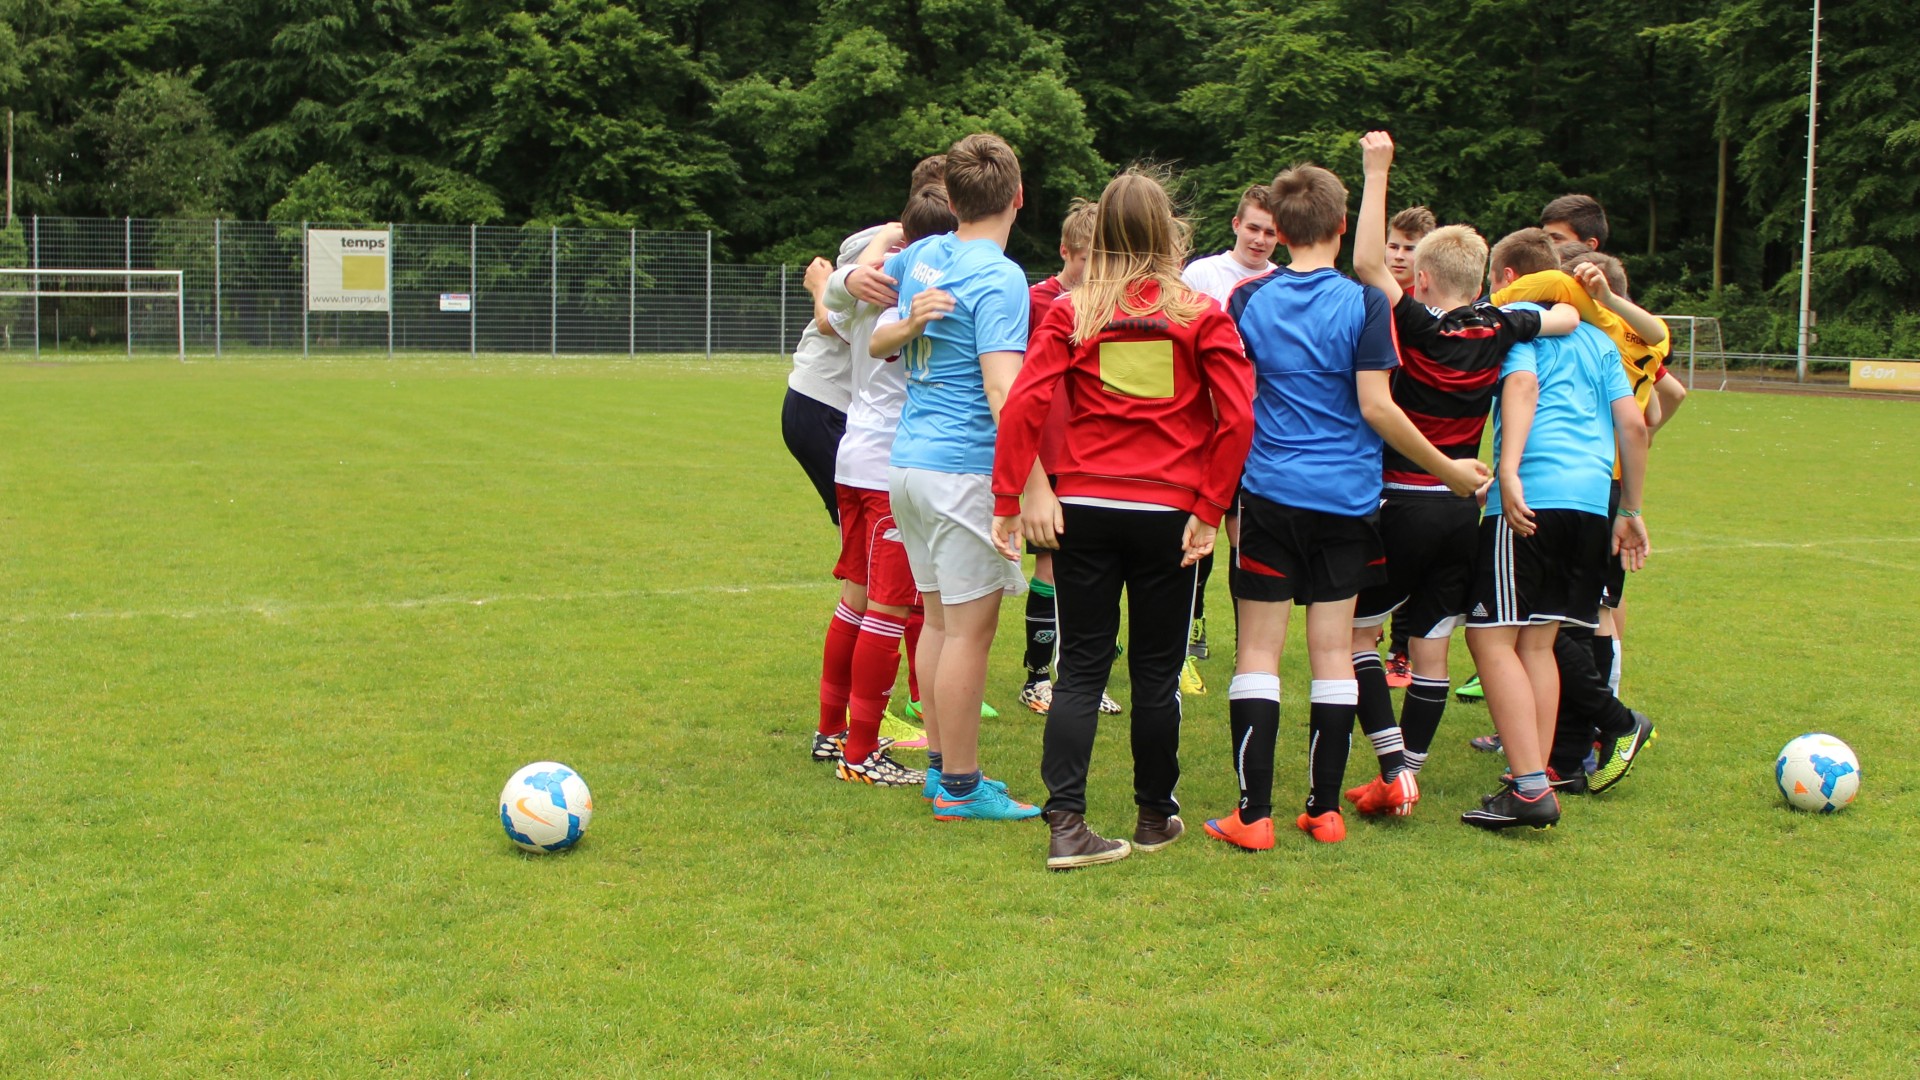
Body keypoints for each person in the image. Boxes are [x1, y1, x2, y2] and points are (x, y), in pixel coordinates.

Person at [1200, 161, 1488, 850]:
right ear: (1337, 225)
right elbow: (1374, 406)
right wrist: (1448, 468)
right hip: (1349, 503)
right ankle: (1322, 811)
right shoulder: (1364, 304)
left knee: (1257, 655)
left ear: (1283, 228)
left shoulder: (1246, 301)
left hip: (1269, 498)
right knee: (1333, 652)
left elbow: (1234, 404)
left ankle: (1253, 815)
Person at [991, 167, 1255, 869]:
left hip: (1086, 511)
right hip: (1166, 515)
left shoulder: (1072, 311)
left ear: (1100, 233)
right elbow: (1238, 418)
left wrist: (1008, 500)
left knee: (1080, 669)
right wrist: (1209, 507)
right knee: (1156, 674)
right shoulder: (1200, 314)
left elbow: (1023, 406)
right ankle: (1152, 815)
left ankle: (1068, 825)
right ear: (1170, 233)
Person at [1343, 132, 1576, 817]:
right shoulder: (1500, 327)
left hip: (1403, 498)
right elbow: (1563, 315)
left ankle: (1395, 769)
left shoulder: (1416, 323)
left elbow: (1362, 260)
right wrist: (1546, 307)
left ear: (1420, 281)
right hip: (1461, 514)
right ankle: (1407, 771)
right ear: (1480, 281)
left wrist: (1376, 169)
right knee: (1433, 648)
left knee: (1358, 636)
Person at [864, 132, 1045, 822]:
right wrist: (1032, 487)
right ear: (1018, 197)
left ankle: (944, 771)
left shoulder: (923, 255)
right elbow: (1005, 394)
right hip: (961, 472)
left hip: (908, 468)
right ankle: (963, 789)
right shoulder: (999, 277)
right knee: (968, 631)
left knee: (938, 621)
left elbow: (877, 320)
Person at [1458, 260, 1653, 830]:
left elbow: (1521, 384)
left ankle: (1527, 788)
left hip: (1532, 497)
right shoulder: (1600, 342)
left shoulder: (1526, 329)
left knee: (1490, 638)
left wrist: (1509, 470)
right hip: (1593, 504)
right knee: (1538, 644)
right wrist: (1632, 510)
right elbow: (1635, 427)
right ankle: (1537, 775)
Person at [811, 187, 961, 784]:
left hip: (853, 455)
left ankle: (831, 733)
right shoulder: (920, 291)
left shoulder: (869, 282)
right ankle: (862, 753)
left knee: (853, 601)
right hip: (886, 468)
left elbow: (828, 301)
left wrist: (867, 255)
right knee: (888, 610)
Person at [1175, 184, 1280, 694]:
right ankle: (1187, 639)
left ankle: (1250, 648)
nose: (1260, 239)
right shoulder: (1201, 275)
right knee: (1195, 535)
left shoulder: (1283, 284)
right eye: (1254, 227)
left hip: (1255, 430)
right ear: (1236, 225)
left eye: (1270, 231)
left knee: (1247, 541)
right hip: (1201, 429)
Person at [1019, 199, 1120, 721]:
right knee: (1050, 563)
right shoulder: (1037, 302)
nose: (1094, 271)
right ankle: (1039, 678)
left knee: (1083, 570)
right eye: (1086, 260)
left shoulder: (1109, 305)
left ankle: (1077, 674)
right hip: (1047, 455)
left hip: (1092, 454)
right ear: (1066, 252)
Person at [1380, 202, 1437, 688]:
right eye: (1393, 246)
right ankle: (1371, 630)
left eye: (1409, 249)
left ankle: (1403, 650)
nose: (1398, 256)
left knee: (1417, 550)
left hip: (1422, 443)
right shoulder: (1370, 298)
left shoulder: (1429, 311)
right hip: (1374, 438)